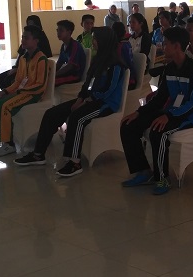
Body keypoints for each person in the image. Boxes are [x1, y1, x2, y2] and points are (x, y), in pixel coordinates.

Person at [14, 27, 126, 177]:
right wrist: (80, 98)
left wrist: (88, 100)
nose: (93, 42)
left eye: (95, 39)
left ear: (104, 41)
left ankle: (75, 162)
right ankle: (38, 154)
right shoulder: (97, 60)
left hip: (105, 104)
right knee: (52, 113)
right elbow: (87, 84)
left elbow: (109, 90)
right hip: (89, 99)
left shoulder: (115, 64)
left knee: (77, 118)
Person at [120, 27, 193, 195]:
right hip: (171, 112)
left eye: (165, 44)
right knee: (128, 125)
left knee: (158, 131)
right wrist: (140, 112)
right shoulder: (169, 68)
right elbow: (160, 98)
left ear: (177, 46)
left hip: (189, 116)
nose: (162, 46)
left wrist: (169, 115)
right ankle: (143, 171)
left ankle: (162, 178)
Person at [0, 24, 50, 156]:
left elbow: (40, 86)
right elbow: (18, 81)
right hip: (17, 92)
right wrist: (6, 91)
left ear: (36, 41)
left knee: (3, 105)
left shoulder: (41, 59)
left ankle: (8, 144)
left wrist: (18, 92)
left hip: (32, 94)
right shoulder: (23, 58)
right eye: (22, 37)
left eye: (27, 38)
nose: (23, 40)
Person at [0, 15, 52, 90]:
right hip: (23, 71)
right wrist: (16, 67)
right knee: (0, 78)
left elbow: (39, 84)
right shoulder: (23, 56)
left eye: (32, 24)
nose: (23, 40)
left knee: (8, 80)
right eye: (22, 37)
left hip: (30, 79)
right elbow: (20, 54)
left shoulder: (41, 40)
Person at [54, 19, 87, 86]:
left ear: (69, 32)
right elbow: (59, 63)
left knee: (52, 82)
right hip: (68, 73)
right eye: (57, 30)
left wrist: (54, 74)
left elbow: (70, 66)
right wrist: (50, 72)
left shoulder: (75, 45)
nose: (58, 33)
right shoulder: (63, 46)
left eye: (61, 30)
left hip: (75, 75)